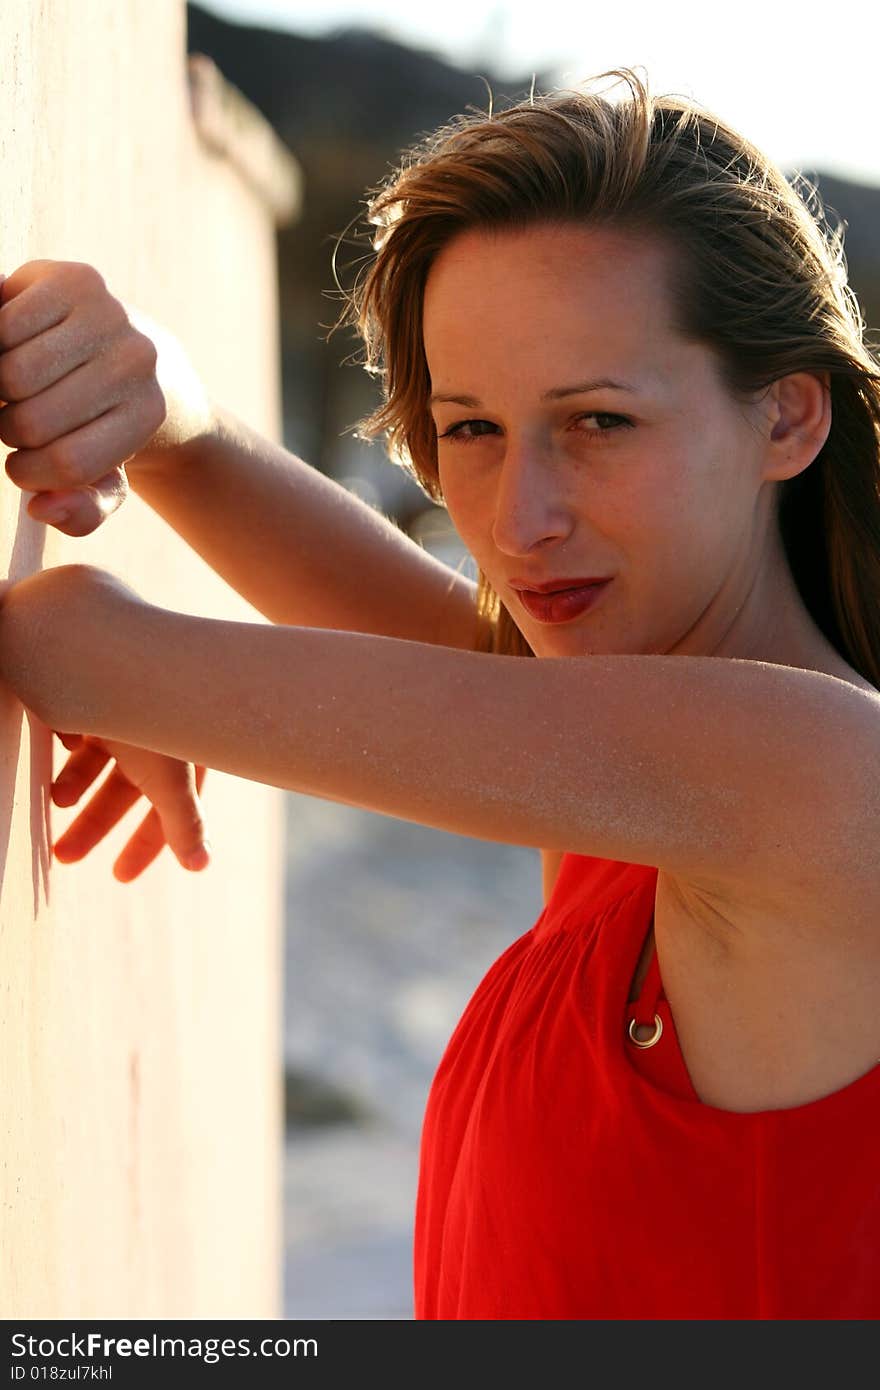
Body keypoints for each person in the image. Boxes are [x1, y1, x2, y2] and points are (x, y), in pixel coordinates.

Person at [0, 67, 879, 1319]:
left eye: (598, 422)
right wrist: (158, 407)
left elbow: (71, 640)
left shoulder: (812, 771)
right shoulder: (621, 738)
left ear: (787, 418)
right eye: (469, 430)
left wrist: (148, 678)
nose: (519, 522)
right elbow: (397, 632)